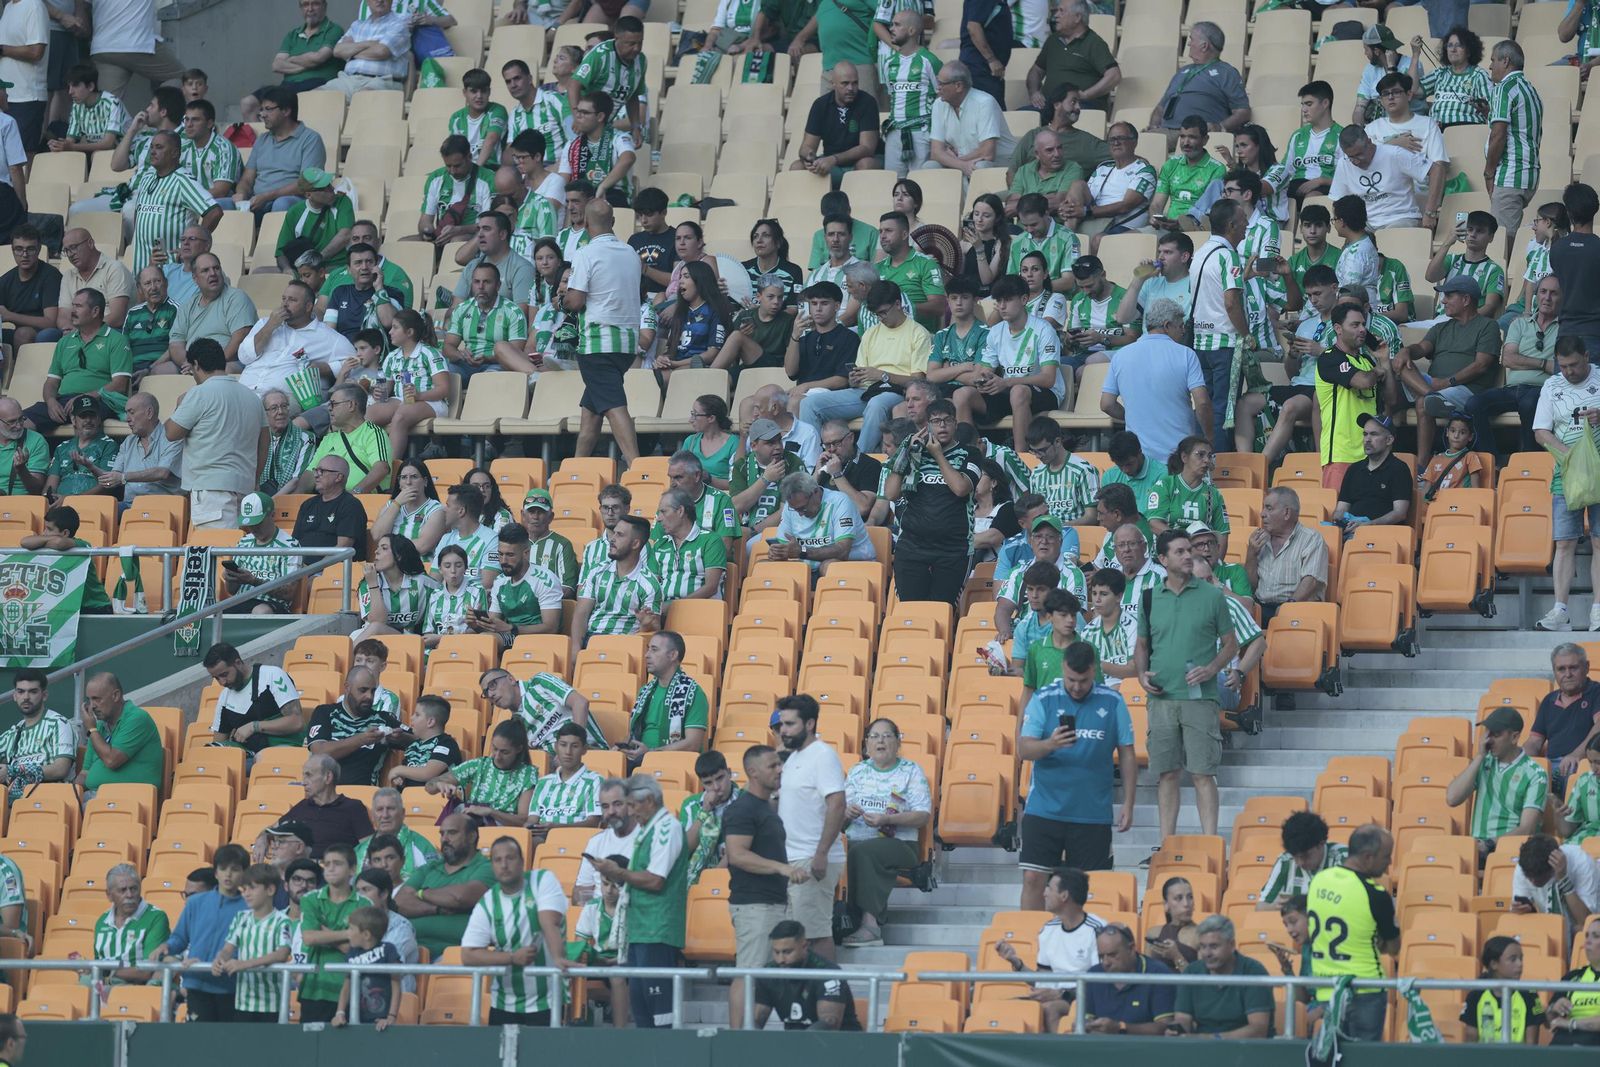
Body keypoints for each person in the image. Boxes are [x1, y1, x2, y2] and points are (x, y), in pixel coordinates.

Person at [1017, 641, 1136, 910]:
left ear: (1093, 670)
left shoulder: (1113, 701)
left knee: (1091, 887)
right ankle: (1032, 934)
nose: (1076, 687)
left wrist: (1129, 803)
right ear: (1063, 668)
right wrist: (1050, 744)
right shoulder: (1043, 699)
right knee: (1033, 878)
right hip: (1045, 808)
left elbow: (1127, 753)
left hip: (1092, 812)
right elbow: (1024, 749)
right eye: (1071, 680)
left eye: (1083, 680)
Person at [1134, 530, 1236, 840]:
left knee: (1203, 773)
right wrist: (1141, 674)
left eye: (1189, 550)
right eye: (1179, 551)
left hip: (1200, 698)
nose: (1188, 555)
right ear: (1163, 559)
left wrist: (1212, 669)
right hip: (1161, 698)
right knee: (1167, 774)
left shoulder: (1213, 596)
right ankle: (1167, 842)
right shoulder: (1149, 598)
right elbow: (1141, 645)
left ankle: (1210, 842)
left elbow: (1231, 644)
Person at [586, 774, 691, 1029]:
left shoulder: (666, 827)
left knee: (659, 1014)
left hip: (656, 929)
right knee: (642, 1010)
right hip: (639, 929)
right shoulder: (649, 829)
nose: (630, 812)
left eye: (632, 805)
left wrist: (617, 872)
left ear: (650, 801)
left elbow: (656, 880)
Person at [799, 280, 930, 452]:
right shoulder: (871, 333)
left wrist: (883, 375)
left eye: (883, 312)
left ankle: (860, 459)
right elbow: (859, 375)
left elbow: (918, 381)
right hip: (865, 391)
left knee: (877, 404)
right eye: (877, 314)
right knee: (809, 404)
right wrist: (854, 379)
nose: (881, 318)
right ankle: (813, 461)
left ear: (898, 304)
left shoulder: (918, 333)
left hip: (897, 391)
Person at [837, 717, 930, 948]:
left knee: (862, 852)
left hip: (900, 843)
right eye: (874, 736)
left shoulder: (911, 771)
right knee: (835, 851)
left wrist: (887, 819)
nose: (880, 741)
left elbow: (922, 816)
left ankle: (871, 925)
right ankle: (842, 921)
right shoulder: (858, 771)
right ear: (866, 744)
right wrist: (847, 814)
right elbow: (840, 817)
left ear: (898, 743)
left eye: (887, 736)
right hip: (855, 839)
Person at [459, 835, 570, 1025]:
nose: (504, 865)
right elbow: (468, 955)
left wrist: (558, 957)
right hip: (503, 1002)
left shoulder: (542, 880)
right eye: (498, 860)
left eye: (510, 858)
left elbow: (548, 923)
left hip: (548, 1000)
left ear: (522, 861)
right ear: (492, 866)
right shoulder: (487, 903)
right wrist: (511, 958)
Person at [1393, 276, 1502, 469]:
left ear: (1466, 300)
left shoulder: (1488, 326)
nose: (1443, 301)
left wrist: (1446, 383)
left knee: (1422, 403)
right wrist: (1406, 351)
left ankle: (1421, 465)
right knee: (1398, 364)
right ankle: (1431, 395)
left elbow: (1481, 365)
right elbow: (1422, 348)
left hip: (1466, 389)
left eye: (1449, 296)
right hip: (1432, 385)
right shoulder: (1440, 327)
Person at [564, 200, 643, 463]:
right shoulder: (631, 253)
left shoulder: (585, 253)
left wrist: (562, 299)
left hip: (598, 343)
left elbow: (576, 301)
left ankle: (637, 466)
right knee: (591, 413)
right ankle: (576, 469)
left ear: (586, 223)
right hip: (627, 345)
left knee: (613, 406)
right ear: (613, 222)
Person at [1306, 824, 1399, 1042]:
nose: (1389, 862)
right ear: (1368, 857)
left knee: (1331, 1054)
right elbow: (1393, 947)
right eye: (1386, 856)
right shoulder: (1375, 894)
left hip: (1328, 989)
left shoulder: (1318, 881)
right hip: (1365, 991)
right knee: (1364, 1056)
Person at [772, 695, 846, 962]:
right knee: (799, 935)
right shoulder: (793, 757)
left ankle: (828, 985)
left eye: (790, 724)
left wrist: (821, 854)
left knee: (815, 935)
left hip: (812, 858)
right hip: (794, 859)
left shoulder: (823, 756)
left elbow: (837, 804)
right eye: (781, 724)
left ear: (810, 723)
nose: (783, 730)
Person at [1533, 337, 1600, 632]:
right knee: (1564, 543)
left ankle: (1598, 611)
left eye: (1574, 364)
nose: (1569, 371)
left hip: (1599, 472)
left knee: (1599, 541)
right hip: (1566, 473)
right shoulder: (1552, 386)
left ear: (1586, 356)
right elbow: (1541, 431)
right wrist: (1568, 455)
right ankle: (1560, 611)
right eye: (1563, 366)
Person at [1099, 299, 1207, 477]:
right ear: (1167, 325)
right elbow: (1202, 403)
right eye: (1180, 326)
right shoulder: (1186, 354)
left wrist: (1132, 417)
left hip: (1142, 461)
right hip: (1180, 460)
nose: (1183, 331)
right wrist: (1209, 439)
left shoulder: (1121, 356)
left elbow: (1106, 404)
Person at [993, 866, 1104, 1031]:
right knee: (1004, 1009)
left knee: (1050, 1009)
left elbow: (1101, 984)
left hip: (1084, 999)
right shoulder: (1048, 929)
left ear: (1064, 896)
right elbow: (1041, 978)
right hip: (1055, 997)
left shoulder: (1097, 930)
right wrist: (1016, 963)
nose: (1044, 893)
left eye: (1049, 888)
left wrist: (1061, 994)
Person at [152, 844, 250, 1022]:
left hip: (233, 988)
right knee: (199, 1038)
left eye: (235, 869)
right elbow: (179, 938)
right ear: (216, 873)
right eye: (223, 869)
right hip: (196, 985)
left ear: (244, 874)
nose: (228, 874)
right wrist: (166, 947)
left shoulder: (250, 908)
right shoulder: (195, 903)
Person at [1469, 274, 1558, 455]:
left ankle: (1528, 459)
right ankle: (1491, 460)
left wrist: (1522, 360)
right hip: (1512, 389)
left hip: (1542, 390)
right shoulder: (1519, 324)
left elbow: (1558, 367)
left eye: (1553, 293)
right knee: (1473, 404)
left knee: (1529, 404)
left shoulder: (1565, 328)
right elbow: (1508, 359)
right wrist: (1543, 363)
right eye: (1543, 292)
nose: (1547, 298)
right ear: (1536, 296)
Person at [1447, 706, 1549, 862]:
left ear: (1514, 737)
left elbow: (1527, 828)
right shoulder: (1483, 762)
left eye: (1496, 735)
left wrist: (1489, 843)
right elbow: (1452, 798)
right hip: (1477, 847)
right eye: (1487, 733)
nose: (1488, 740)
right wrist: (1479, 756)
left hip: (1512, 850)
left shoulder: (1536, 774)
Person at [24, 287, 131, 434]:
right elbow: (51, 382)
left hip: (97, 400)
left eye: (79, 306)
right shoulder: (64, 342)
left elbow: (120, 384)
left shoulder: (116, 340)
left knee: (84, 414)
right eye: (73, 305)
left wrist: (89, 395)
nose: (72, 311)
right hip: (64, 401)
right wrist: (51, 402)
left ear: (95, 311)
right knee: (18, 422)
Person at [1169, 915, 1272, 1037]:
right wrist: (1177, 1031)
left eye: (1214, 946)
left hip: (1245, 1047)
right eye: (1202, 946)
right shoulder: (1192, 972)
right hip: (1201, 1046)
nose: (1207, 953)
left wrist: (1211, 1039)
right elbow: (1182, 1019)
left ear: (1232, 945)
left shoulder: (1254, 972)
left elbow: (1258, 1030)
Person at [617, 631, 710, 764]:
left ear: (673, 655)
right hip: (638, 763)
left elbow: (692, 744)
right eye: (648, 649)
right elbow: (634, 734)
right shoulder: (645, 691)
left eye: (654, 650)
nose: (647, 655)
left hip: (673, 764)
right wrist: (621, 748)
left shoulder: (693, 693)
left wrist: (650, 754)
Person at [751, 920, 862, 1031]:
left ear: (805, 946)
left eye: (787, 952)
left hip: (842, 1040)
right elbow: (755, 1022)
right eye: (776, 952)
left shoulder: (827, 973)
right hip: (794, 1039)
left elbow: (829, 1025)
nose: (781, 960)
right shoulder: (768, 974)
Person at [306, 667, 406, 787]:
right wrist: (362, 739)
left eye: (373, 691)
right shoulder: (325, 712)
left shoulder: (383, 719)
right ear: (347, 687)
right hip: (324, 791)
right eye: (363, 690)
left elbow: (420, 739)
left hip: (363, 793)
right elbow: (320, 753)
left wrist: (401, 737)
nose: (369, 696)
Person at [1331, 124, 1441, 232]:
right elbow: (1338, 201)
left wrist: (1430, 212)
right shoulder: (1343, 163)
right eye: (1351, 157)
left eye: (1359, 154)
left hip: (1401, 218)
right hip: (1366, 224)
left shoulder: (1394, 154)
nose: (1356, 161)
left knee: (1389, 238)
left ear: (1369, 142)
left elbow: (1436, 169)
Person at [236, 86, 327, 216]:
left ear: (286, 111)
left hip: (292, 200)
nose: (262, 115)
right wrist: (241, 193)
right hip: (257, 201)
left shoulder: (310, 139)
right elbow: (247, 179)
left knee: (281, 203)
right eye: (261, 109)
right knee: (220, 205)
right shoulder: (262, 140)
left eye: (268, 109)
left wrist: (268, 196)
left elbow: (306, 183)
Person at [1482, 40, 1542, 236]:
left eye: (1493, 60)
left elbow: (1498, 135)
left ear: (1505, 61)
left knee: (1502, 241)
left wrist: (1489, 173)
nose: (1490, 66)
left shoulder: (1504, 88)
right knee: (1508, 238)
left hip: (1510, 175)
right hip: (1529, 174)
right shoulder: (1530, 90)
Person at [1145, 23, 1248, 134]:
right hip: (1165, 132)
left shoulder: (1227, 72)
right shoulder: (1182, 71)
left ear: (1204, 46)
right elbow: (1160, 108)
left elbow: (1243, 112)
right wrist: (1153, 127)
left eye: (1192, 39)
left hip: (1198, 135)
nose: (1189, 43)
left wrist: (1220, 127)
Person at [203, 640, 305, 751]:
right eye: (216, 678)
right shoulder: (224, 697)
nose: (222, 682)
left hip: (282, 749)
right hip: (247, 753)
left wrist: (254, 727)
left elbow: (296, 722)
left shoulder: (273, 675)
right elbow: (218, 745)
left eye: (224, 674)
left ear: (238, 663)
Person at [1529, 644, 1600, 801]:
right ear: (1554, 672)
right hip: (1551, 765)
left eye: (1573, 668)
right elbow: (1534, 741)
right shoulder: (1549, 700)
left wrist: (1576, 755)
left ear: (1587, 667)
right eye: (1561, 669)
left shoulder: (1597, 692)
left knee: (1565, 774)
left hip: (1584, 763)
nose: (1568, 674)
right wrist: (1518, 759)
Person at [792, 61, 880, 183]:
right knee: (797, 167)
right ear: (833, 84)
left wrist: (834, 159)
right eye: (845, 83)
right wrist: (808, 156)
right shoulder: (820, 105)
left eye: (855, 83)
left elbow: (867, 148)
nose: (851, 88)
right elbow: (806, 146)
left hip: (857, 161)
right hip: (831, 163)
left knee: (866, 164)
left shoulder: (868, 102)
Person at [1082, 924, 1177, 1035]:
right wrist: (1084, 1025)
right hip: (1101, 1044)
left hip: (1145, 1045)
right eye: (1101, 956)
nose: (1106, 962)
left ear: (1131, 949)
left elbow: (1165, 1028)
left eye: (1112, 955)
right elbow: (1087, 1018)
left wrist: (1120, 1028)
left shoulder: (1158, 973)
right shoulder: (1093, 975)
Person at [78, 672, 162, 794]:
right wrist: (70, 793)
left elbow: (112, 760)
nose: (92, 706)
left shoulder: (137, 718)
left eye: (96, 699)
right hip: (94, 795)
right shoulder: (98, 727)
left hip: (130, 797)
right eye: (89, 700)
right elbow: (85, 773)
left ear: (116, 696)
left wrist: (92, 729)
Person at [0, 669, 74, 801]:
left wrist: (13, 770)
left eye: (33, 691)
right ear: (15, 696)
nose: (26, 697)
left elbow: (61, 769)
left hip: (49, 799)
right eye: (21, 691)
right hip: (14, 801)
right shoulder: (13, 733)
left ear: (44, 695)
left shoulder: (58, 724)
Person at [1332, 413, 1412, 531]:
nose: (1367, 440)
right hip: (1349, 531)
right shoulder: (1354, 469)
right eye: (1365, 434)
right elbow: (1341, 508)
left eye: (1374, 434)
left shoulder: (1399, 469)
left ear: (1389, 440)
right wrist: (1340, 520)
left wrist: (1368, 525)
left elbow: (1400, 513)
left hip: (1381, 534)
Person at [91, 862, 168, 985]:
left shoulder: (156, 917)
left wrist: (108, 972)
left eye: (134, 889)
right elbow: (97, 963)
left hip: (136, 988)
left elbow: (147, 972)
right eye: (122, 890)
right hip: (104, 986)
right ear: (109, 895)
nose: (129, 895)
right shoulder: (102, 922)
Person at [1461, 936, 1544, 1044]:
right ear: (1494, 964)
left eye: (1521, 959)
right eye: (1513, 959)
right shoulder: (1475, 995)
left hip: (1518, 1055)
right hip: (1484, 1054)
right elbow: (1471, 1041)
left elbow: (1531, 1045)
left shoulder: (1530, 994)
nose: (1520, 964)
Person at [1257, 810, 1346, 910]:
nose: (1299, 863)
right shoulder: (1285, 861)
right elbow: (1260, 907)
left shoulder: (1343, 858)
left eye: (1305, 856)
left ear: (1321, 844)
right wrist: (1276, 907)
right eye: (1295, 856)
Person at [526, 723, 603, 837]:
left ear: (584, 749)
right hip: (541, 838)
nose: (568, 752)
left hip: (577, 839)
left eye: (575, 746)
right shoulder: (543, 782)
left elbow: (593, 823)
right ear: (556, 747)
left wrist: (556, 829)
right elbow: (532, 819)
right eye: (563, 745)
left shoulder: (595, 781)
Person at [1512, 834, 1600, 933]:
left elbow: (1587, 922)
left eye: (1538, 877)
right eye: (1528, 876)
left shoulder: (1582, 863)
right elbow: (1523, 917)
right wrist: (1524, 910)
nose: (1532, 881)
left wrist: (1563, 879)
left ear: (1552, 867)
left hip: (1584, 932)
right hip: (1547, 929)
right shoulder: (1524, 866)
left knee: (1580, 930)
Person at [1552, 183, 1600, 361]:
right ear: (1595, 209)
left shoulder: (1557, 248)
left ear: (1569, 212)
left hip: (1566, 332)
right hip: (1595, 332)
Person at [293, 455, 369, 560]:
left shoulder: (351, 505)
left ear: (338, 477)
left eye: (321, 471)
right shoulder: (308, 504)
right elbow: (294, 543)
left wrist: (314, 568)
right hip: (300, 566)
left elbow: (343, 548)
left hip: (331, 567)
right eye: (316, 470)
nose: (316, 475)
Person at [0, 226, 63, 352]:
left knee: (23, 333)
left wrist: (9, 316)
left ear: (38, 249)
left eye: (30, 249)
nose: (24, 255)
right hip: (17, 331)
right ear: (12, 250)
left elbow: (51, 322)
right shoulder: (5, 280)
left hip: (45, 333)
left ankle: (21, 365)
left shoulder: (51, 276)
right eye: (19, 249)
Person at [358, 788, 442, 873]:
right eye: (380, 809)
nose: (385, 815)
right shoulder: (359, 851)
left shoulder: (422, 846)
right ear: (372, 815)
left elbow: (435, 878)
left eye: (391, 809)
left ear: (403, 813)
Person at [268, 0, 345, 92]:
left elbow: (318, 58)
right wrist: (309, 64)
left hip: (319, 84)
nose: (310, 9)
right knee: (254, 98)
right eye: (305, 4)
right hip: (288, 84)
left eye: (315, 4)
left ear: (324, 6)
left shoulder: (334, 30)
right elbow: (276, 65)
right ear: (301, 8)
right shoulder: (292, 35)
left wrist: (291, 59)